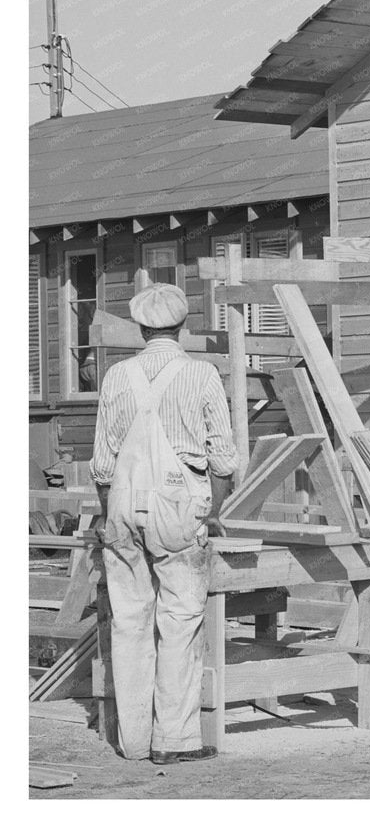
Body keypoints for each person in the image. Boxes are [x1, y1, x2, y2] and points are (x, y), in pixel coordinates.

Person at [91, 283, 238, 765]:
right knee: (179, 619)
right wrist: (213, 510)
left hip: (122, 504)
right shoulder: (201, 373)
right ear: (183, 326)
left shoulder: (116, 375)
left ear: (140, 328)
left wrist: (107, 513)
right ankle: (171, 742)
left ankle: (131, 742)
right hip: (178, 505)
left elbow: (102, 463)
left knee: (129, 621)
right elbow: (223, 458)